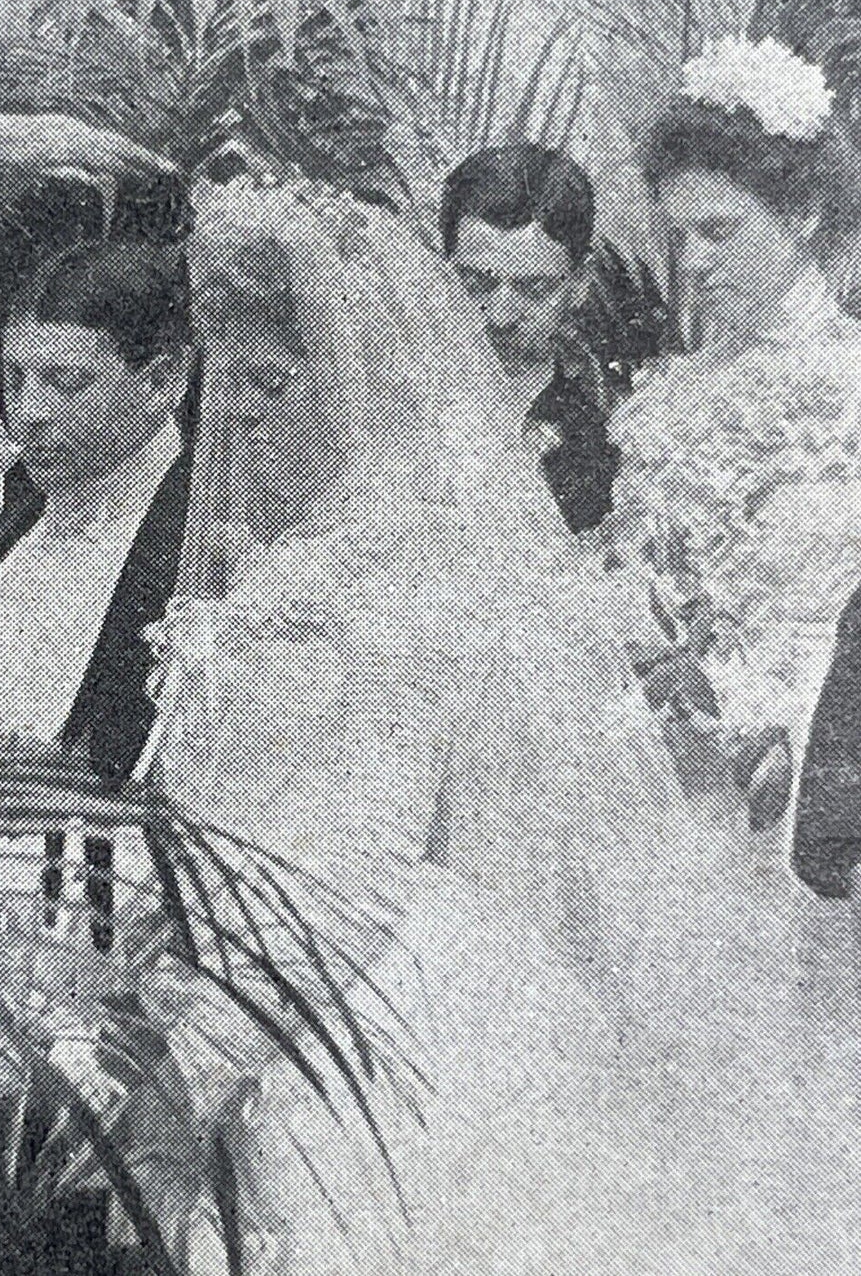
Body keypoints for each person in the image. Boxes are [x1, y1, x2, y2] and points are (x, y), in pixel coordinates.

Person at [145, 179, 861, 1274]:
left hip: (367, 998)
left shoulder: (399, 571)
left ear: (349, 383)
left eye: (270, 382)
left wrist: (195, 1054)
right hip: (250, 956)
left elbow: (358, 852)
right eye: (224, 378)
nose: (234, 412)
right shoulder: (293, 555)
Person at [601, 38, 861, 853]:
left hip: (800, 782)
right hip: (656, 760)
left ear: (802, 216)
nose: (695, 264)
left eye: (719, 231)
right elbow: (639, 583)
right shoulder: (672, 391)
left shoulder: (848, 387)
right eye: (680, 237)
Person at [0, 222, 195, 952]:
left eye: (67, 381)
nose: (30, 412)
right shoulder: (9, 521)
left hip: (130, 939)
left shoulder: (209, 540)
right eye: (15, 378)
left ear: (162, 381)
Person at [440, 143, 672, 532]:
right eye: (475, 283)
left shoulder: (603, 444)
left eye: (534, 289)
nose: (500, 316)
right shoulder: (382, 386)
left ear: (579, 284)